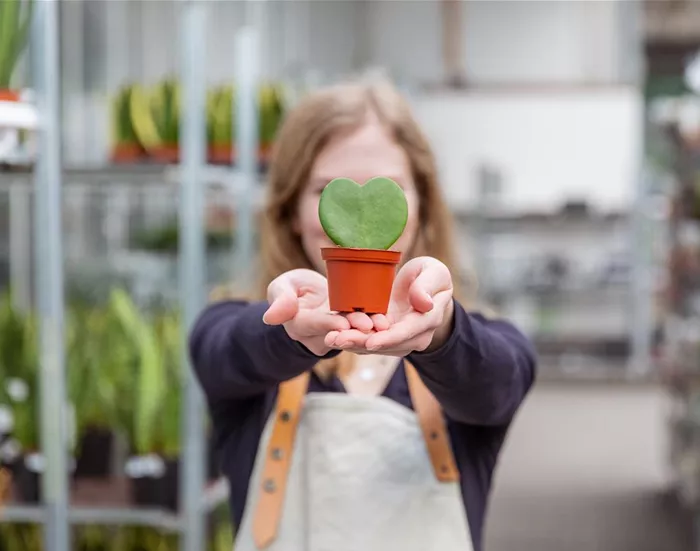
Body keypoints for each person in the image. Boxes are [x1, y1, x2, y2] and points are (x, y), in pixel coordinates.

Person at [189, 78, 537, 551]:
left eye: (390, 188)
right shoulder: (240, 330)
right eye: (325, 189)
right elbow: (223, 351)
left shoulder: (479, 344)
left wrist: (440, 334)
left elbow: (498, 383)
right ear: (290, 209)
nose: (358, 227)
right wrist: (288, 331)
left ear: (424, 208)